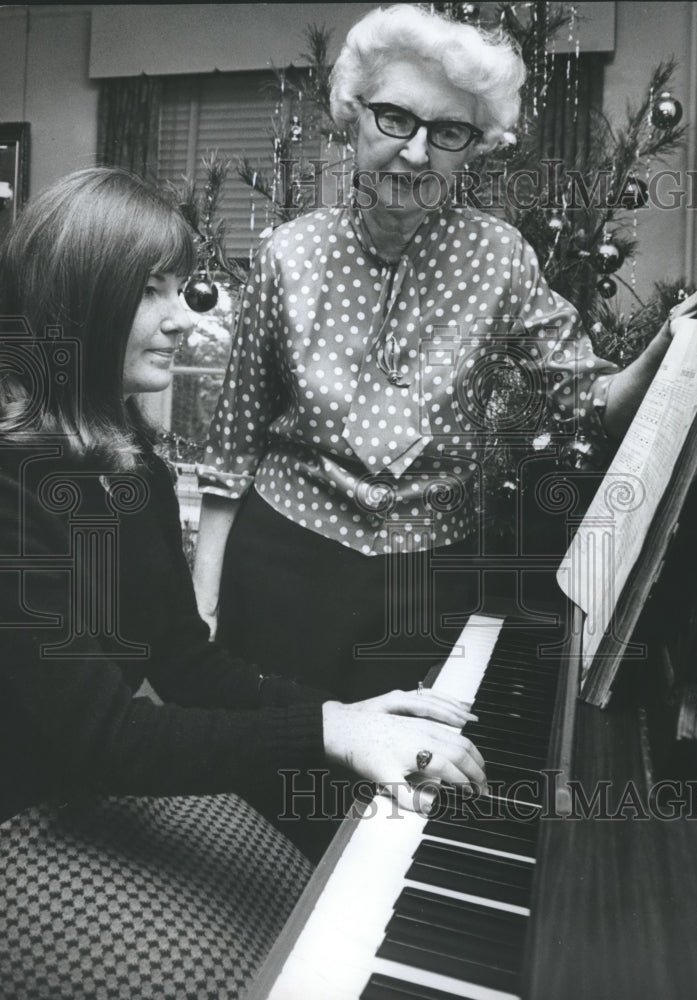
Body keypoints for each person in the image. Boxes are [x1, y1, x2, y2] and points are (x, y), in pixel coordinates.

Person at [0, 167, 488, 999]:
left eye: (178, 289)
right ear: (77, 306)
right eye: (148, 292)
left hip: (94, 792)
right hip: (23, 823)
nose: (179, 318)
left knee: (310, 921)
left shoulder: (126, 465)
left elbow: (187, 666)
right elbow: (102, 738)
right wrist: (323, 734)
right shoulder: (15, 491)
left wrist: (344, 714)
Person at [193, 3, 697, 705]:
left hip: (424, 582)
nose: (414, 151)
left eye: (448, 132)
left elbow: (590, 403)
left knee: (386, 796)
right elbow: (232, 447)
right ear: (353, 114)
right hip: (283, 559)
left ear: (476, 146)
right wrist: (205, 596)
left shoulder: (499, 258)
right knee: (263, 768)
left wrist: (668, 345)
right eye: (394, 117)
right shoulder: (291, 255)